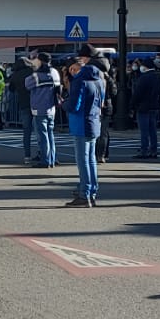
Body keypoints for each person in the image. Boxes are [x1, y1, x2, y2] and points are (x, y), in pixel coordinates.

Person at [64, 51, 106, 207]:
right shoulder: (98, 79)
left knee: (83, 161)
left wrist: (64, 104)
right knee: (91, 160)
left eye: (73, 69)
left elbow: (74, 106)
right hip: (94, 122)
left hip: (81, 124)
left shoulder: (79, 82)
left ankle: (84, 194)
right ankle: (92, 192)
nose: (72, 72)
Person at [23, 52, 61, 168]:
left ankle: (45, 160)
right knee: (50, 135)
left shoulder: (37, 76)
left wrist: (32, 69)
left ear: (40, 61)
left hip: (39, 108)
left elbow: (27, 84)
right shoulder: (54, 72)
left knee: (42, 136)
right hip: (52, 107)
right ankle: (52, 159)